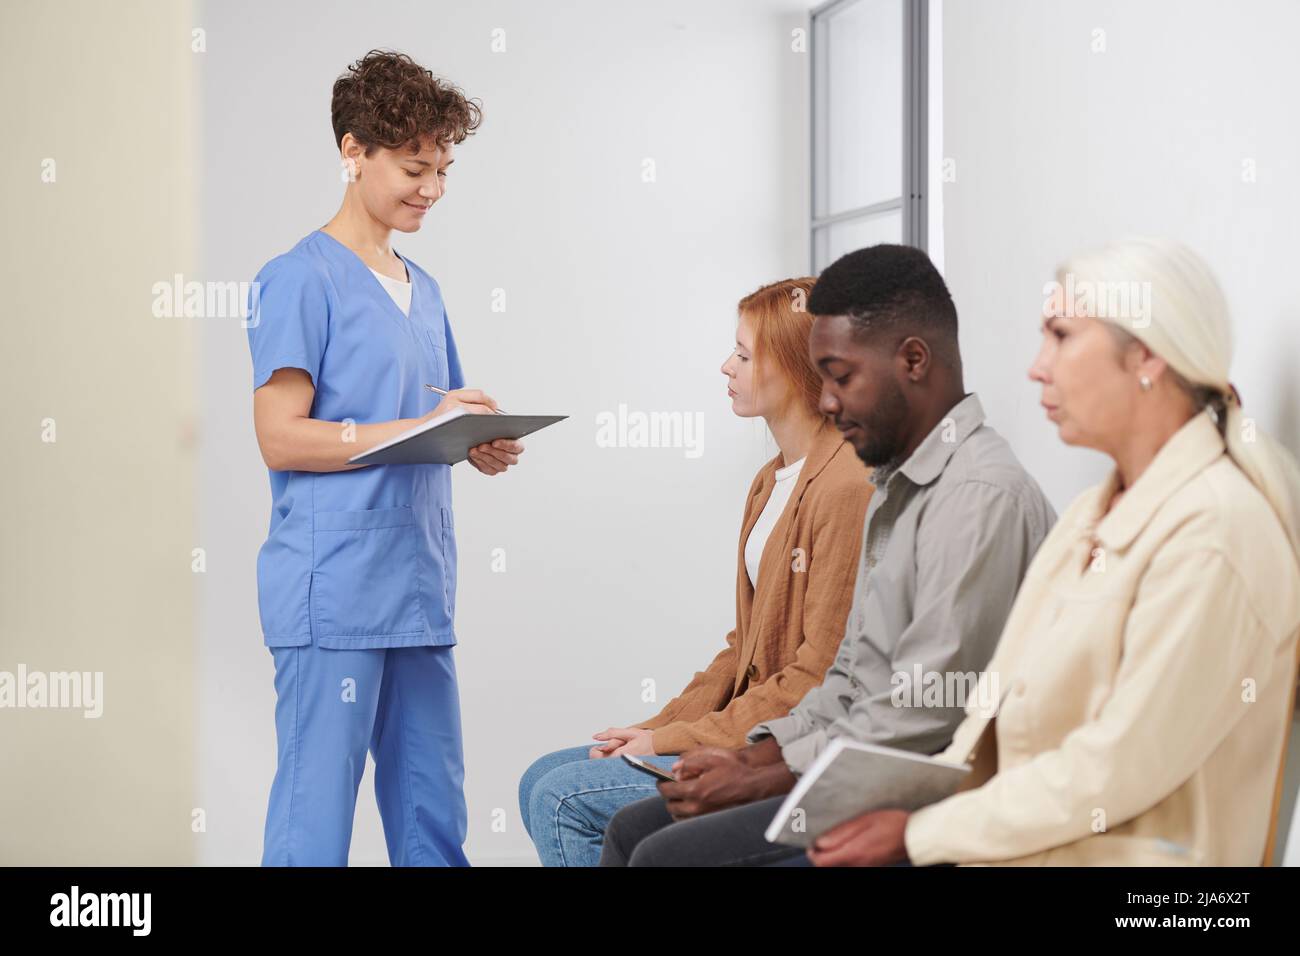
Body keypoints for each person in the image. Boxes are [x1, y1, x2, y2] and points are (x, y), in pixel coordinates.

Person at [810, 237, 1300, 867]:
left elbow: (1116, 766)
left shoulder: (1219, 532)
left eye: (1061, 336)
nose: (1037, 367)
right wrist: (909, 814)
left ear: (1147, 357)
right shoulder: (1088, 517)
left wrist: (919, 835)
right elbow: (991, 718)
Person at [600, 244, 1056, 866]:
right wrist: (752, 753)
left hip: (929, 793)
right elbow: (850, 679)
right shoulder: (899, 488)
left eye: (841, 378)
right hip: (862, 767)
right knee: (634, 831)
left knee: (666, 856)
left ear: (913, 362)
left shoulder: (975, 497)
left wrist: (768, 773)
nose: (829, 402)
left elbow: (924, 711)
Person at [247, 50, 524, 866]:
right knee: (315, 820)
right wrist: (415, 431)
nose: (431, 189)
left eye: (442, 170)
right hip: (331, 588)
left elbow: (434, 416)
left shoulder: (423, 288)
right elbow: (280, 435)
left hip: (417, 585)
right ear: (352, 150)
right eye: (414, 167)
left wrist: (476, 442)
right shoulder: (298, 279)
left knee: (433, 811)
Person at [518, 277, 874, 866]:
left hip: (785, 748)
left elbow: (815, 674)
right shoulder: (770, 481)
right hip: (743, 727)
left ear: (797, 367)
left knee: (563, 798)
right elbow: (745, 647)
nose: (724, 367)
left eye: (742, 354)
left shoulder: (845, 486)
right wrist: (653, 728)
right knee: (541, 778)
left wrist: (670, 742)